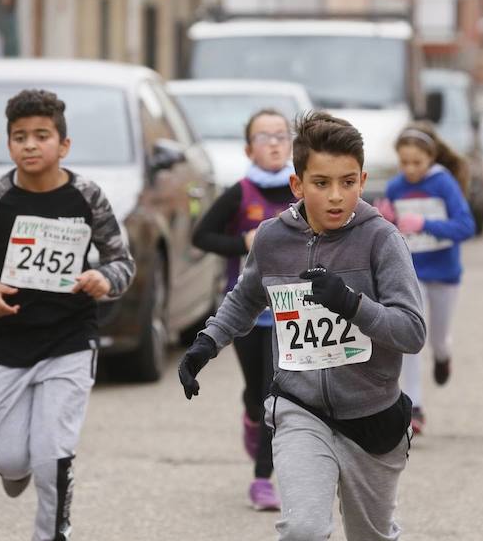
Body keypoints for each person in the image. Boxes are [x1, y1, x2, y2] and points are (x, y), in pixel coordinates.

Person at [178, 111, 425, 540]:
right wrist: (206, 343)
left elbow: (411, 331)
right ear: (297, 184)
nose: (335, 196)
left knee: (372, 535)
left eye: (348, 183)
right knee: (303, 531)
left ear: (363, 181)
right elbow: (245, 296)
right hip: (300, 407)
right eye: (321, 183)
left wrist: (352, 305)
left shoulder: (381, 240)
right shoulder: (274, 239)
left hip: (372, 415)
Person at [0, 89, 135, 540]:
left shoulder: (87, 196)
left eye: (41, 135)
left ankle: (53, 533)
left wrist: (104, 279)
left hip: (70, 340)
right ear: (9, 144)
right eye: (19, 137)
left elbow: (122, 261)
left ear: (64, 145)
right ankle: (15, 466)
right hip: (10, 343)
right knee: (11, 461)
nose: (30, 145)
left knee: (52, 454)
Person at [191, 108, 296, 510]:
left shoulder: (301, 189)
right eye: (263, 136)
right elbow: (203, 236)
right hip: (249, 312)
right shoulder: (240, 192)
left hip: (292, 313)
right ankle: (251, 419)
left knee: (276, 394)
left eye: (280, 135)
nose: (273, 143)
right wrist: (244, 243)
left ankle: (262, 480)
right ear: (249, 147)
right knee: (257, 393)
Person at [376, 122, 475, 435]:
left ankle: (444, 356)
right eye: (404, 163)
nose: (410, 169)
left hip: (445, 273)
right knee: (411, 339)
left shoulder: (443, 183)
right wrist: (387, 221)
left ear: (431, 159)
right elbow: (390, 233)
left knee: (438, 339)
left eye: (417, 163)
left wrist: (425, 224)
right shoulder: (395, 188)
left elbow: (465, 227)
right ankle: (415, 406)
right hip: (412, 272)